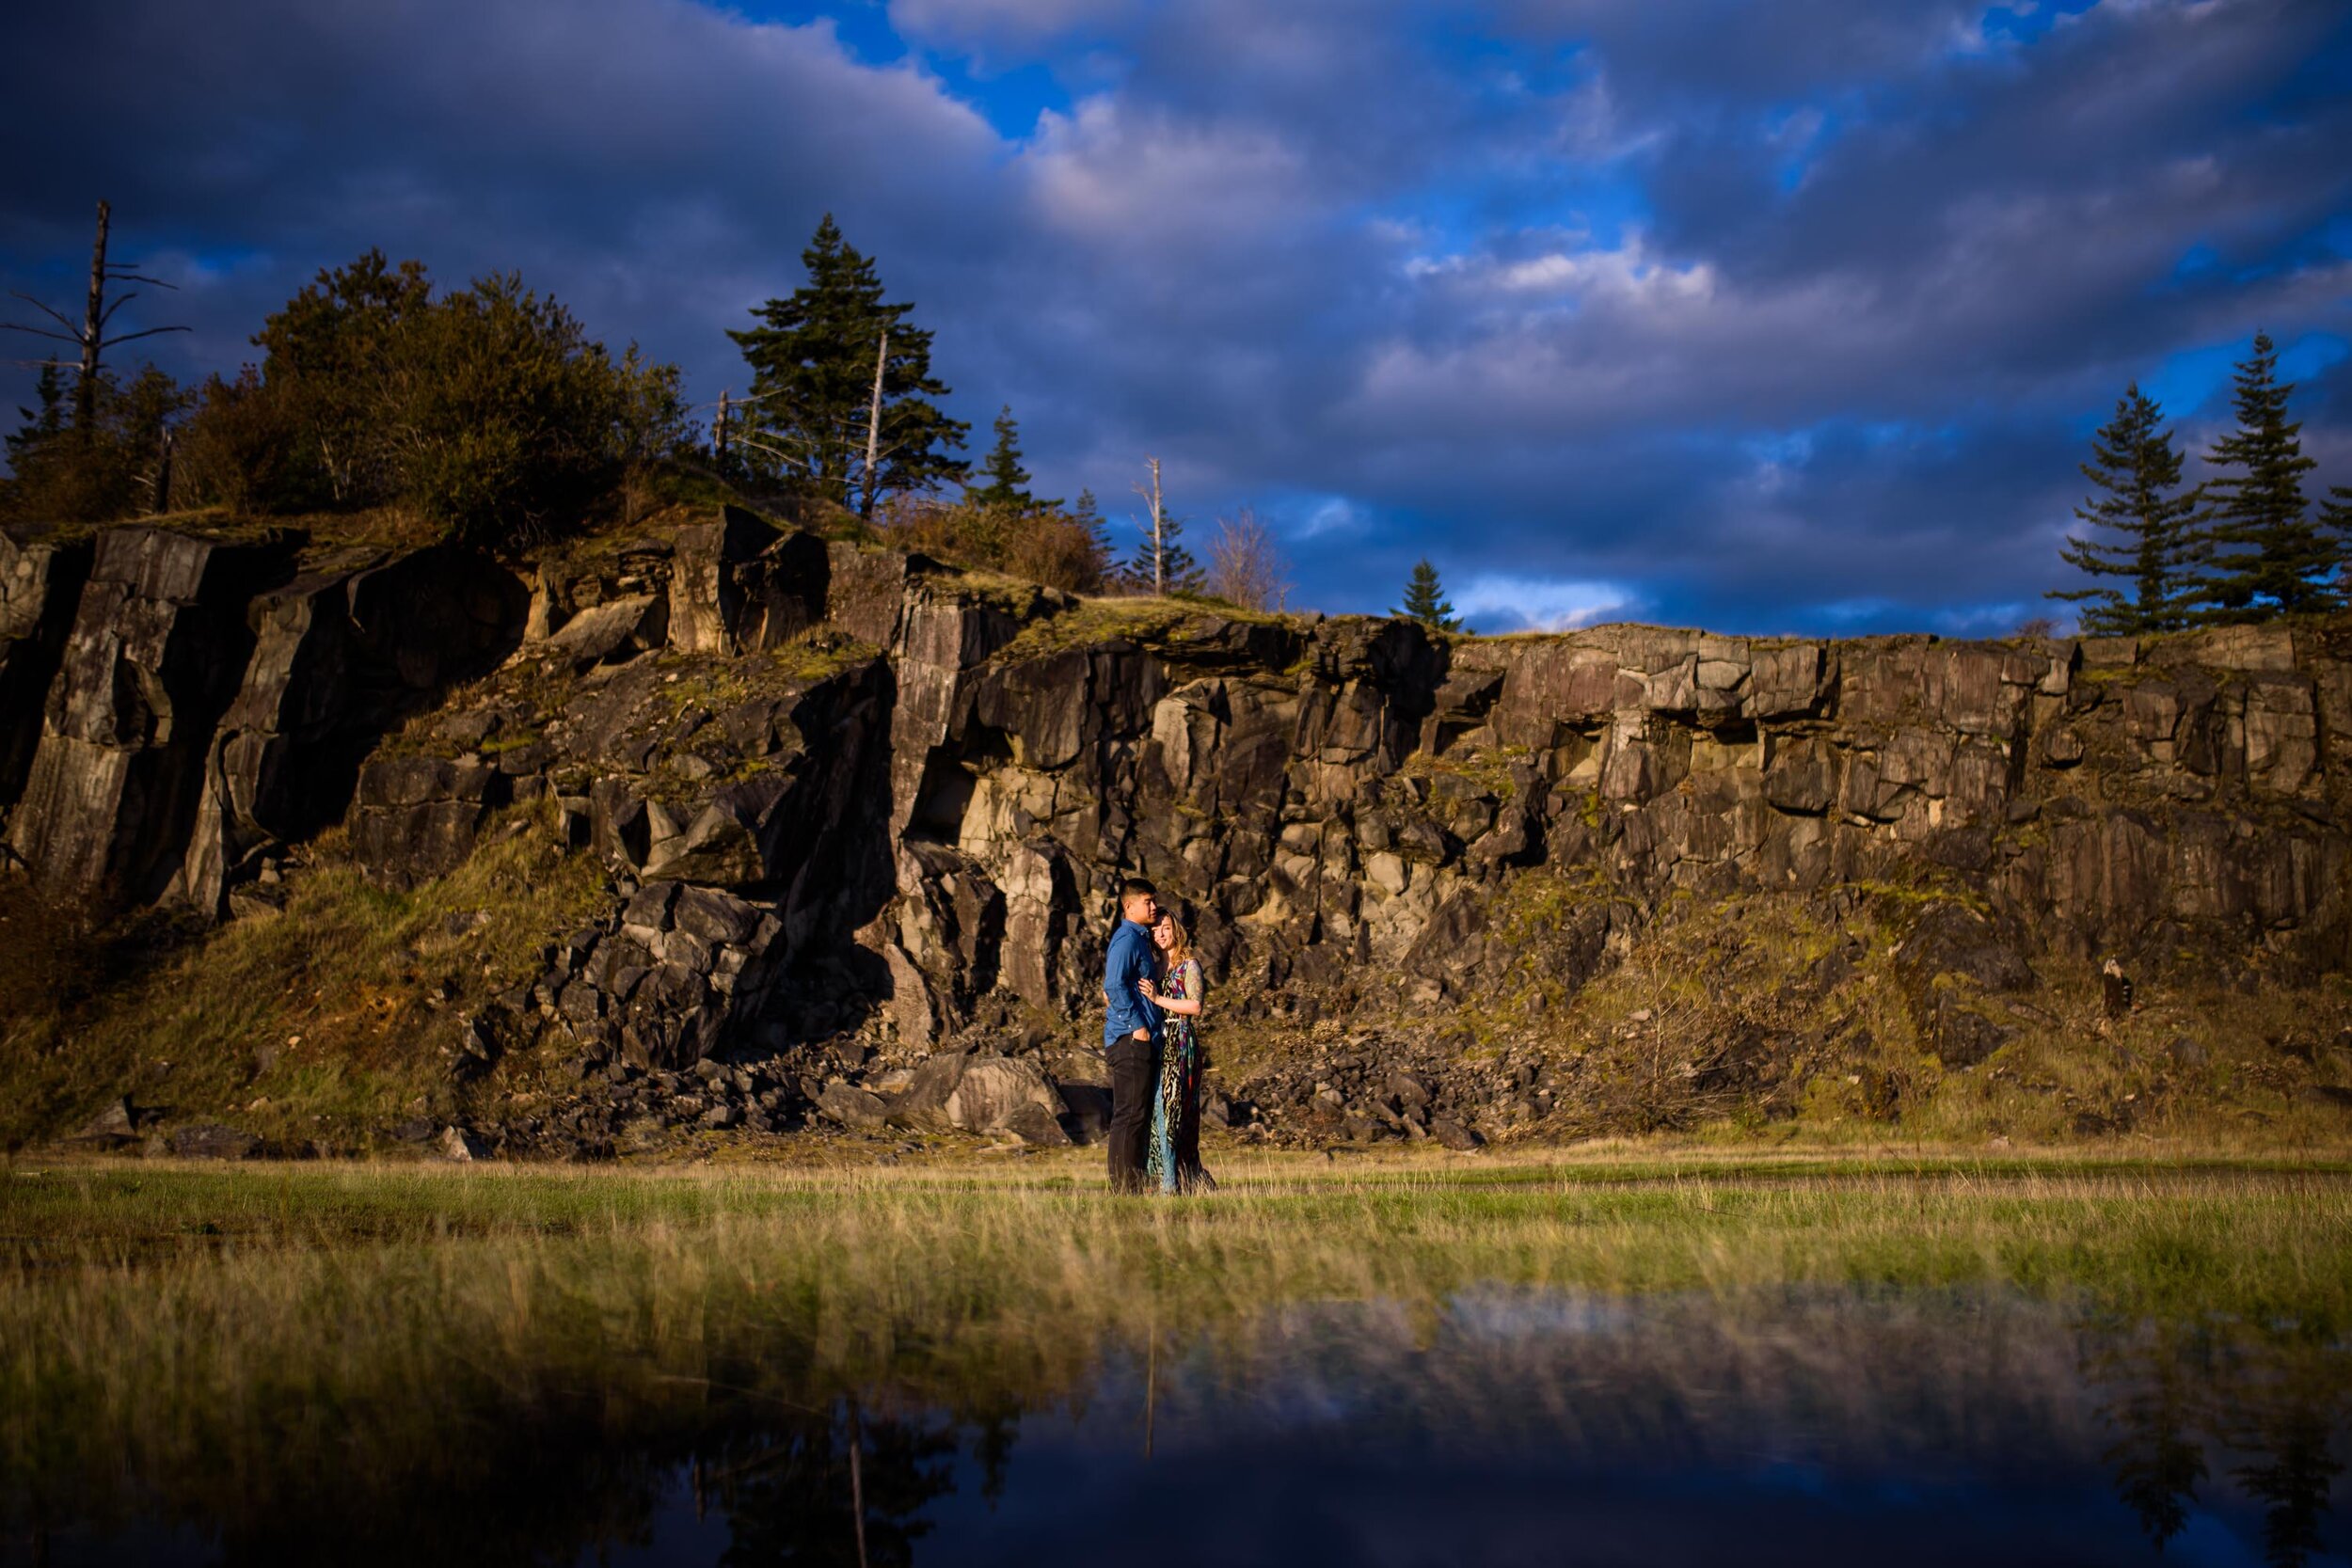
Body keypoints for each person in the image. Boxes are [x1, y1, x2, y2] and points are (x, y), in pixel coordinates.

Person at [1140, 911, 1213, 1195]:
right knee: (1157, 1112)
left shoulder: (1189, 965)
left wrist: (1158, 998)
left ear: (1176, 930)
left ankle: (1172, 1185)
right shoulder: (1155, 967)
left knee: (1173, 1113)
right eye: (1156, 929)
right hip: (1159, 1042)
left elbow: (1195, 1006)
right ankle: (1174, 1181)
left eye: (1166, 928)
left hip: (1180, 1041)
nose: (1160, 933)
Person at [1101, 877, 1161, 1194]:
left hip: (1137, 1038)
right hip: (1130, 1039)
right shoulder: (1127, 938)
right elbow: (1113, 984)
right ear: (1129, 906)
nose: (1153, 907)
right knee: (1129, 1114)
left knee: (1138, 1114)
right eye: (1147, 902)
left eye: (1153, 901)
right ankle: (1124, 1187)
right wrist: (1136, 1025)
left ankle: (1133, 1183)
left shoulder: (1138, 939)